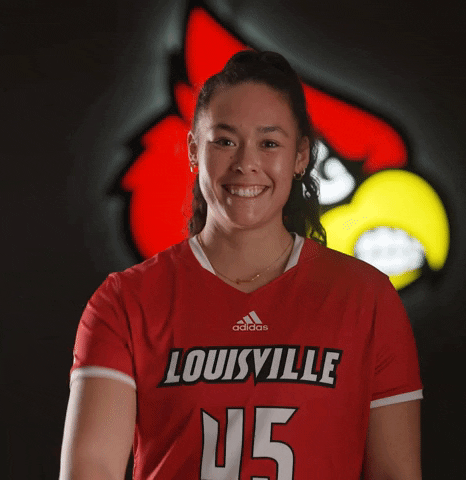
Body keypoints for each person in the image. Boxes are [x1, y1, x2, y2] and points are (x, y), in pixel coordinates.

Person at [59, 50, 423, 480]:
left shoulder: (367, 298)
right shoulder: (125, 301)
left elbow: (396, 472)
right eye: (225, 141)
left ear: (301, 156)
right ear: (194, 150)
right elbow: (92, 468)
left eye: (269, 143)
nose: (246, 163)